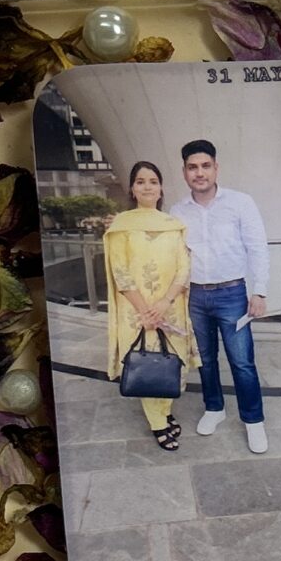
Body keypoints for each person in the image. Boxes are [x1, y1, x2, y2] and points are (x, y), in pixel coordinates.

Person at [174, 139, 271, 453]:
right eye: (192, 167)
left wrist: (259, 291)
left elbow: (257, 248)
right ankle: (214, 408)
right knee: (205, 360)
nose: (199, 173)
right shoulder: (177, 211)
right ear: (185, 172)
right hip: (195, 297)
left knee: (242, 362)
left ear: (216, 168)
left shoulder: (240, 203)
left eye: (205, 166)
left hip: (232, 294)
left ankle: (253, 421)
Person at [102, 160, 194, 452]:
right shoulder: (121, 226)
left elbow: (184, 268)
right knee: (148, 363)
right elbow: (120, 271)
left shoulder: (174, 225)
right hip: (137, 312)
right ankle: (158, 424)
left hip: (171, 308)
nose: (147, 187)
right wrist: (146, 311)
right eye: (140, 182)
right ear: (132, 189)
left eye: (153, 181)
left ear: (161, 188)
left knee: (171, 362)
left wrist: (164, 303)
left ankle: (164, 412)